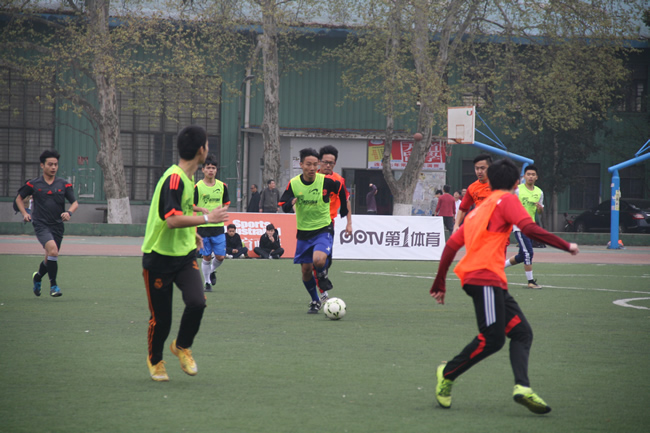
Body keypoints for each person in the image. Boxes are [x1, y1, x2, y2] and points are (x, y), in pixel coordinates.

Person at [429, 158, 579, 415]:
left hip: (489, 280)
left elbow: (451, 246)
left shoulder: (478, 210)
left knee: (522, 332)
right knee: (493, 338)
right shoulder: (508, 200)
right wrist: (566, 245)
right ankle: (448, 373)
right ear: (516, 183)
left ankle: (522, 387)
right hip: (483, 277)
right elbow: (529, 228)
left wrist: (440, 281)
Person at [141, 125, 228, 382]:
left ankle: (181, 346)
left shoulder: (188, 178)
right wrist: (207, 218)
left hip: (184, 255)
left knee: (197, 302)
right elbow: (171, 220)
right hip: (158, 257)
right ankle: (155, 360)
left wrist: (193, 234)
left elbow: (183, 213)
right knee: (162, 319)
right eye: (207, 145)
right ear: (201, 150)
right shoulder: (175, 178)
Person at [279, 148, 348, 314]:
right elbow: (283, 205)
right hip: (304, 232)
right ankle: (315, 300)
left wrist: (344, 209)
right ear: (301, 164)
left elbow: (341, 190)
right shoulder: (294, 183)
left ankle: (322, 276)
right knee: (306, 271)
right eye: (308, 164)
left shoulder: (325, 181)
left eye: (315, 164)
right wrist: (290, 203)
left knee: (318, 260)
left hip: (323, 228)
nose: (312, 168)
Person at [15, 149, 79, 298]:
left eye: (55, 164)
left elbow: (75, 203)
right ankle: (54, 286)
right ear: (42, 165)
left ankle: (37, 277)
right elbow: (19, 198)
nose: (53, 167)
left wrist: (69, 213)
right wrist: (25, 213)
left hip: (57, 225)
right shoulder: (33, 184)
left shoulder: (64, 184)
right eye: (50, 164)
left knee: (50, 256)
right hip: (41, 224)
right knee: (53, 252)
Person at [315, 145, 353, 303]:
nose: (328, 165)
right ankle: (320, 294)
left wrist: (349, 223)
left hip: (328, 223)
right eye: (325, 162)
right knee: (313, 262)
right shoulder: (310, 178)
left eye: (331, 163)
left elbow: (346, 201)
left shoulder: (338, 180)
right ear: (319, 162)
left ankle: (322, 278)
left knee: (325, 261)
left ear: (335, 164)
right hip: (309, 224)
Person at [193, 154, 230, 292]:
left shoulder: (222, 186)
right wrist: (201, 209)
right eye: (208, 168)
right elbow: (191, 205)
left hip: (218, 227)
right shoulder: (198, 187)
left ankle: (212, 270)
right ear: (203, 170)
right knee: (206, 256)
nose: (211, 170)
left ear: (216, 170)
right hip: (203, 227)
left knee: (220, 256)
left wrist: (222, 210)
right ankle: (207, 283)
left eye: (213, 168)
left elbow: (226, 203)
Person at [505, 165, 544, 289]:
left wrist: (540, 209)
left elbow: (539, 212)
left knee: (522, 255)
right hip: (519, 226)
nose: (531, 176)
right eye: (528, 174)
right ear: (524, 176)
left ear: (536, 177)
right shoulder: (517, 190)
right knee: (529, 253)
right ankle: (530, 281)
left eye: (533, 174)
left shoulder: (539, 192)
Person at [453, 154, 493, 233]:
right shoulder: (472, 188)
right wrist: (456, 225)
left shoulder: (499, 185)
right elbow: (462, 209)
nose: (479, 171)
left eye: (483, 168)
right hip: (479, 229)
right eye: (477, 168)